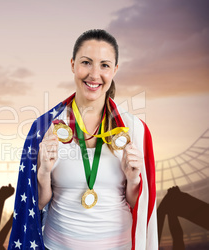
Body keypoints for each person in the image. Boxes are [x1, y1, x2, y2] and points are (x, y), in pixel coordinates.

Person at [8, 29, 157, 250]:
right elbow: (34, 205)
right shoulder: (44, 128)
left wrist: (133, 180)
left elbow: (142, 206)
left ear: (115, 70)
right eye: (86, 62)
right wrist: (44, 173)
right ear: (72, 64)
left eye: (104, 65)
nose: (94, 75)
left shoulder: (135, 130)